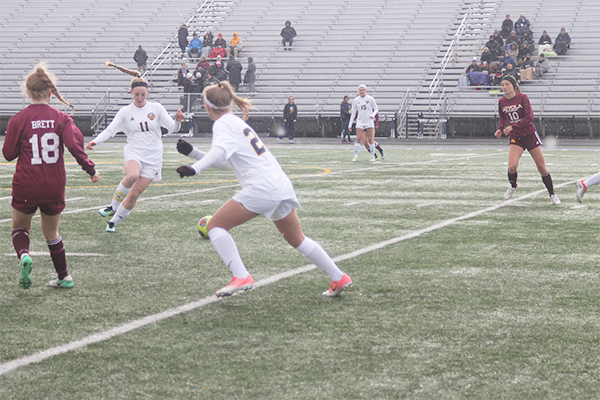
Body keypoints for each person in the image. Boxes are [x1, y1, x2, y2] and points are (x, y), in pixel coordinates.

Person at [175, 81, 352, 298]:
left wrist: (195, 169)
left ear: (207, 105)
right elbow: (224, 162)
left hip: (261, 188)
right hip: (280, 185)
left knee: (215, 227)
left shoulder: (222, 124)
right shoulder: (235, 122)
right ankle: (338, 276)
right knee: (297, 239)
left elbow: (219, 151)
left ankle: (241, 276)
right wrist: (194, 153)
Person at [3, 63, 100, 289]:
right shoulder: (62, 118)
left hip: (27, 182)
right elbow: (75, 147)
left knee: (19, 227)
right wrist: (91, 169)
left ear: (28, 92)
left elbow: (8, 154)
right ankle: (64, 276)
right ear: (50, 92)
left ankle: (24, 255)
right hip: (54, 184)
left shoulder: (18, 119)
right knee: (52, 232)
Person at [86, 62, 184, 232]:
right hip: (134, 152)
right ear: (131, 93)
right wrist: (96, 141)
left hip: (154, 157)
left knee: (134, 194)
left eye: (143, 95)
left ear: (148, 93)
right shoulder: (125, 111)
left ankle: (112, 223)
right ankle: (112, 206)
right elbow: (110, 129)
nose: (140, 98)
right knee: (132, 175)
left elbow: (173, 128)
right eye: (137, 95)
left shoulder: (157, 108)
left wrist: (177, 121)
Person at [494, 75, 560, 205]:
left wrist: (512, 126)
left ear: (513, 86)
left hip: (529, 135)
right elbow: (503, 118)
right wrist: (500, 129)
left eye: (507, 84)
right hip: (516, 137)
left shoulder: (523, 98)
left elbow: (529, 117)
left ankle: (552, 194)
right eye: (502, 85)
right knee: (512, 166)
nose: (504, 87)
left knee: (541, 167)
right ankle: (513, 185)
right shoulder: (501, 101)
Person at [348, 84, 379, 162]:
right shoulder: (356, 100)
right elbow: (353, 113)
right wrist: (350, 124)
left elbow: (376, 109)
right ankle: (355, 156)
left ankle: (372, 156)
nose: (361, 91)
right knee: (358, 139)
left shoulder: (370, 99)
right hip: (360, 122)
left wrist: (372, 115)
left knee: (371, 139)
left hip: (369, 121)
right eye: (360, 90)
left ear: (366, 90)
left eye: (363, 90)